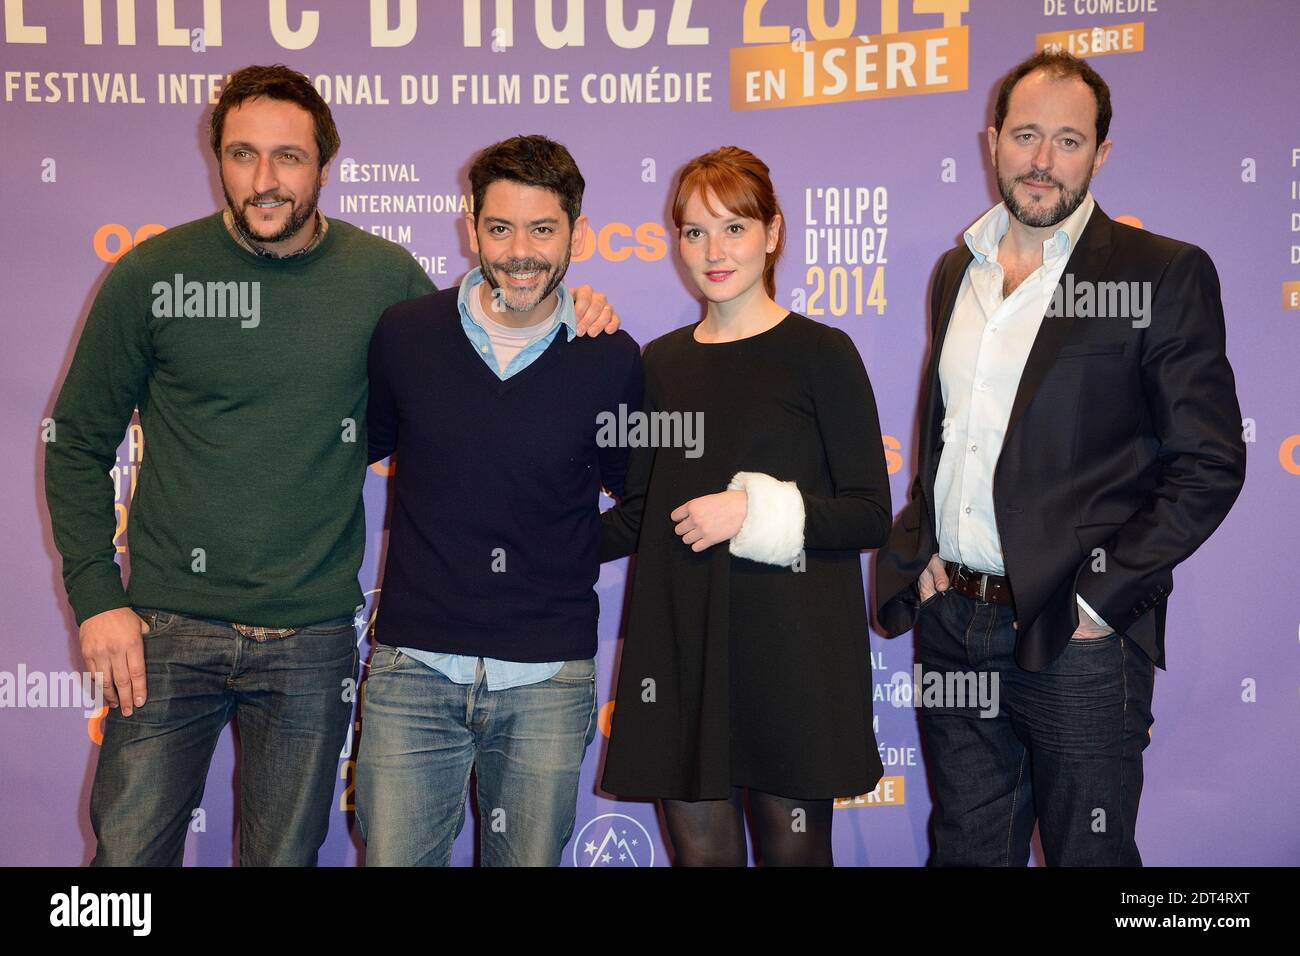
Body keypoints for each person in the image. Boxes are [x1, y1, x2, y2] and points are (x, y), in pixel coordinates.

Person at [44, 66, 620, 867]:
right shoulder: (151, 275)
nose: (266, 178)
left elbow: (486, 344)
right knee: (127, 861)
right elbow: (74, 440)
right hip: (164, 628)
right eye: (244, 154)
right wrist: (96, 597)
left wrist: (574, 311)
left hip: (312, 639)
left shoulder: (384, 284)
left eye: (289, 156)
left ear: (323, 165)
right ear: (217, 159)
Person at [874, 51, 1246, 866]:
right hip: (954, 624)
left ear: (1101, 154)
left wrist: (1100, 601)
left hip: (1076, 638)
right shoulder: (955, 271)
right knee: (966, 852)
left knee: (1090, 857)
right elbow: (949, 439)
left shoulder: (1159, 273)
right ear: (993, 140)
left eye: (1068, 141)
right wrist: (921, 550)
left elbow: (1210, 462)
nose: (1043, 161)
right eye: (1027, 135)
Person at [599, 146, 892, 866]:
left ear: (774, 232)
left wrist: (752, 514)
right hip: (682, 647)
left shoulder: (822, 352)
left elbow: (867, 512)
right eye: (694, 232)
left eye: (733, 227)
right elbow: (640, 510)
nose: (713, 250)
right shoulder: (660, 363)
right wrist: (525, 542)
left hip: (794, 652)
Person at [355, 135, 643, 867]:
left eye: (543, 229)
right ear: (470, 225)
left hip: (547, 680)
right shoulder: (406, 335)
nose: (521, 251)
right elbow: (348, 453)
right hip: (412, 671)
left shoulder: (609, 356)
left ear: (576, 232)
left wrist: (566, 547)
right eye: (501, 227)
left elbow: (637, 494)